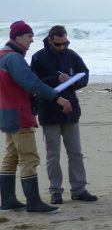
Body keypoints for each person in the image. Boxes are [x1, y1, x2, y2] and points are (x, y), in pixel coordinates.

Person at [0, 21, 73, 213]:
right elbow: (31, 82)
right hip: (19, 114)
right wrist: (57, 97)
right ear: (17, 37)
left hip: (6, 114)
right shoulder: (14, 59)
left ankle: (8, 200)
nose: (32, 40)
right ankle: (33, 202)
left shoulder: (3, 56)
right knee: (29, 157)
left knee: (11, 156)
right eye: (29, 36)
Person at [31, 25, 96, 204]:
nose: (62, 47)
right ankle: (55, 191)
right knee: (53, 154)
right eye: (58, 44)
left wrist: (72, 81)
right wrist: (55, 79)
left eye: (65, 43)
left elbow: (85, 76)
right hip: (48, 110)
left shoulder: (72, 55)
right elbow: (34, 82)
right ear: (50, 40)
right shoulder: (38, 57)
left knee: (75, 152)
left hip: (71, 110)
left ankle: (79, 189)